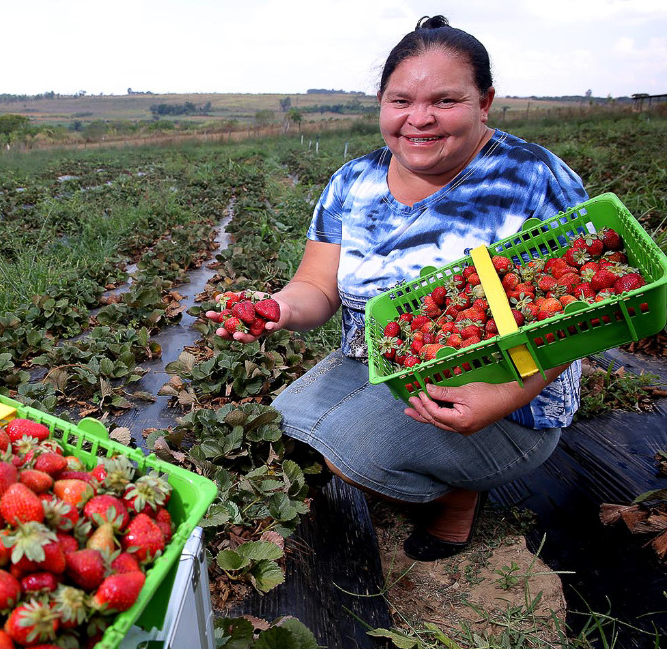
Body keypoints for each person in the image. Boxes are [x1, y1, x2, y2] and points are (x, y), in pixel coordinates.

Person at [209, 15, 587, 561]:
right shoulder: (353, 181)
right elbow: (316, 284)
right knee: (287, 428)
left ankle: (458, 497)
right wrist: (280, 309)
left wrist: (504, 395)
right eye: (401, 100)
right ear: (381, 104)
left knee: (354, 453)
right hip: (379, 361)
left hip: (507, 388)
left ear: (485, 102)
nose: (420, 119)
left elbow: (585, 311)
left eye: (446, 101)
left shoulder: (531, 178)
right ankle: (419, 461)